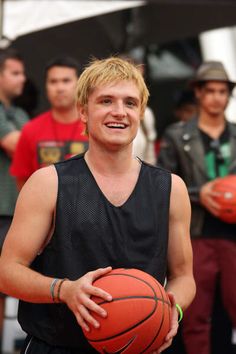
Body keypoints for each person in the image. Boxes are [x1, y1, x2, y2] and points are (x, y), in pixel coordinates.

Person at [0, 57, 195, 354]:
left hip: (140, 347)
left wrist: (171, 310)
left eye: (130, 103)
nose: (119, 112)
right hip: (58, 344)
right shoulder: (48, 183)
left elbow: (183, 276)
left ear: (141, 112)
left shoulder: (171, 188)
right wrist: (64, 290)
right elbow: (7, 271)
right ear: (83, 111)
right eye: (106, 101)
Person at [158, 61, 236, 354]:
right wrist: (197, 194)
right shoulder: (178, 135)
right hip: (194, 234)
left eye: (222, 91)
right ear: (198, 94)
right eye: (210, 91)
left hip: (232, 236)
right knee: (194, 314)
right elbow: (162, 182)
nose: (217, 97)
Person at [10, 56, 88, 190]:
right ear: (46, 86)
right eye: (53, 81)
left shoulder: (95, 126)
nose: (59, 88)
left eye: (66, 81)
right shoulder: (30, 129)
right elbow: (22, 181)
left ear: (79, 85)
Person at [0, 48, 29, 347]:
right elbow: (17, 145)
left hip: (16, 210)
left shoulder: (19, 113)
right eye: (15, 72)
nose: (23, 79)